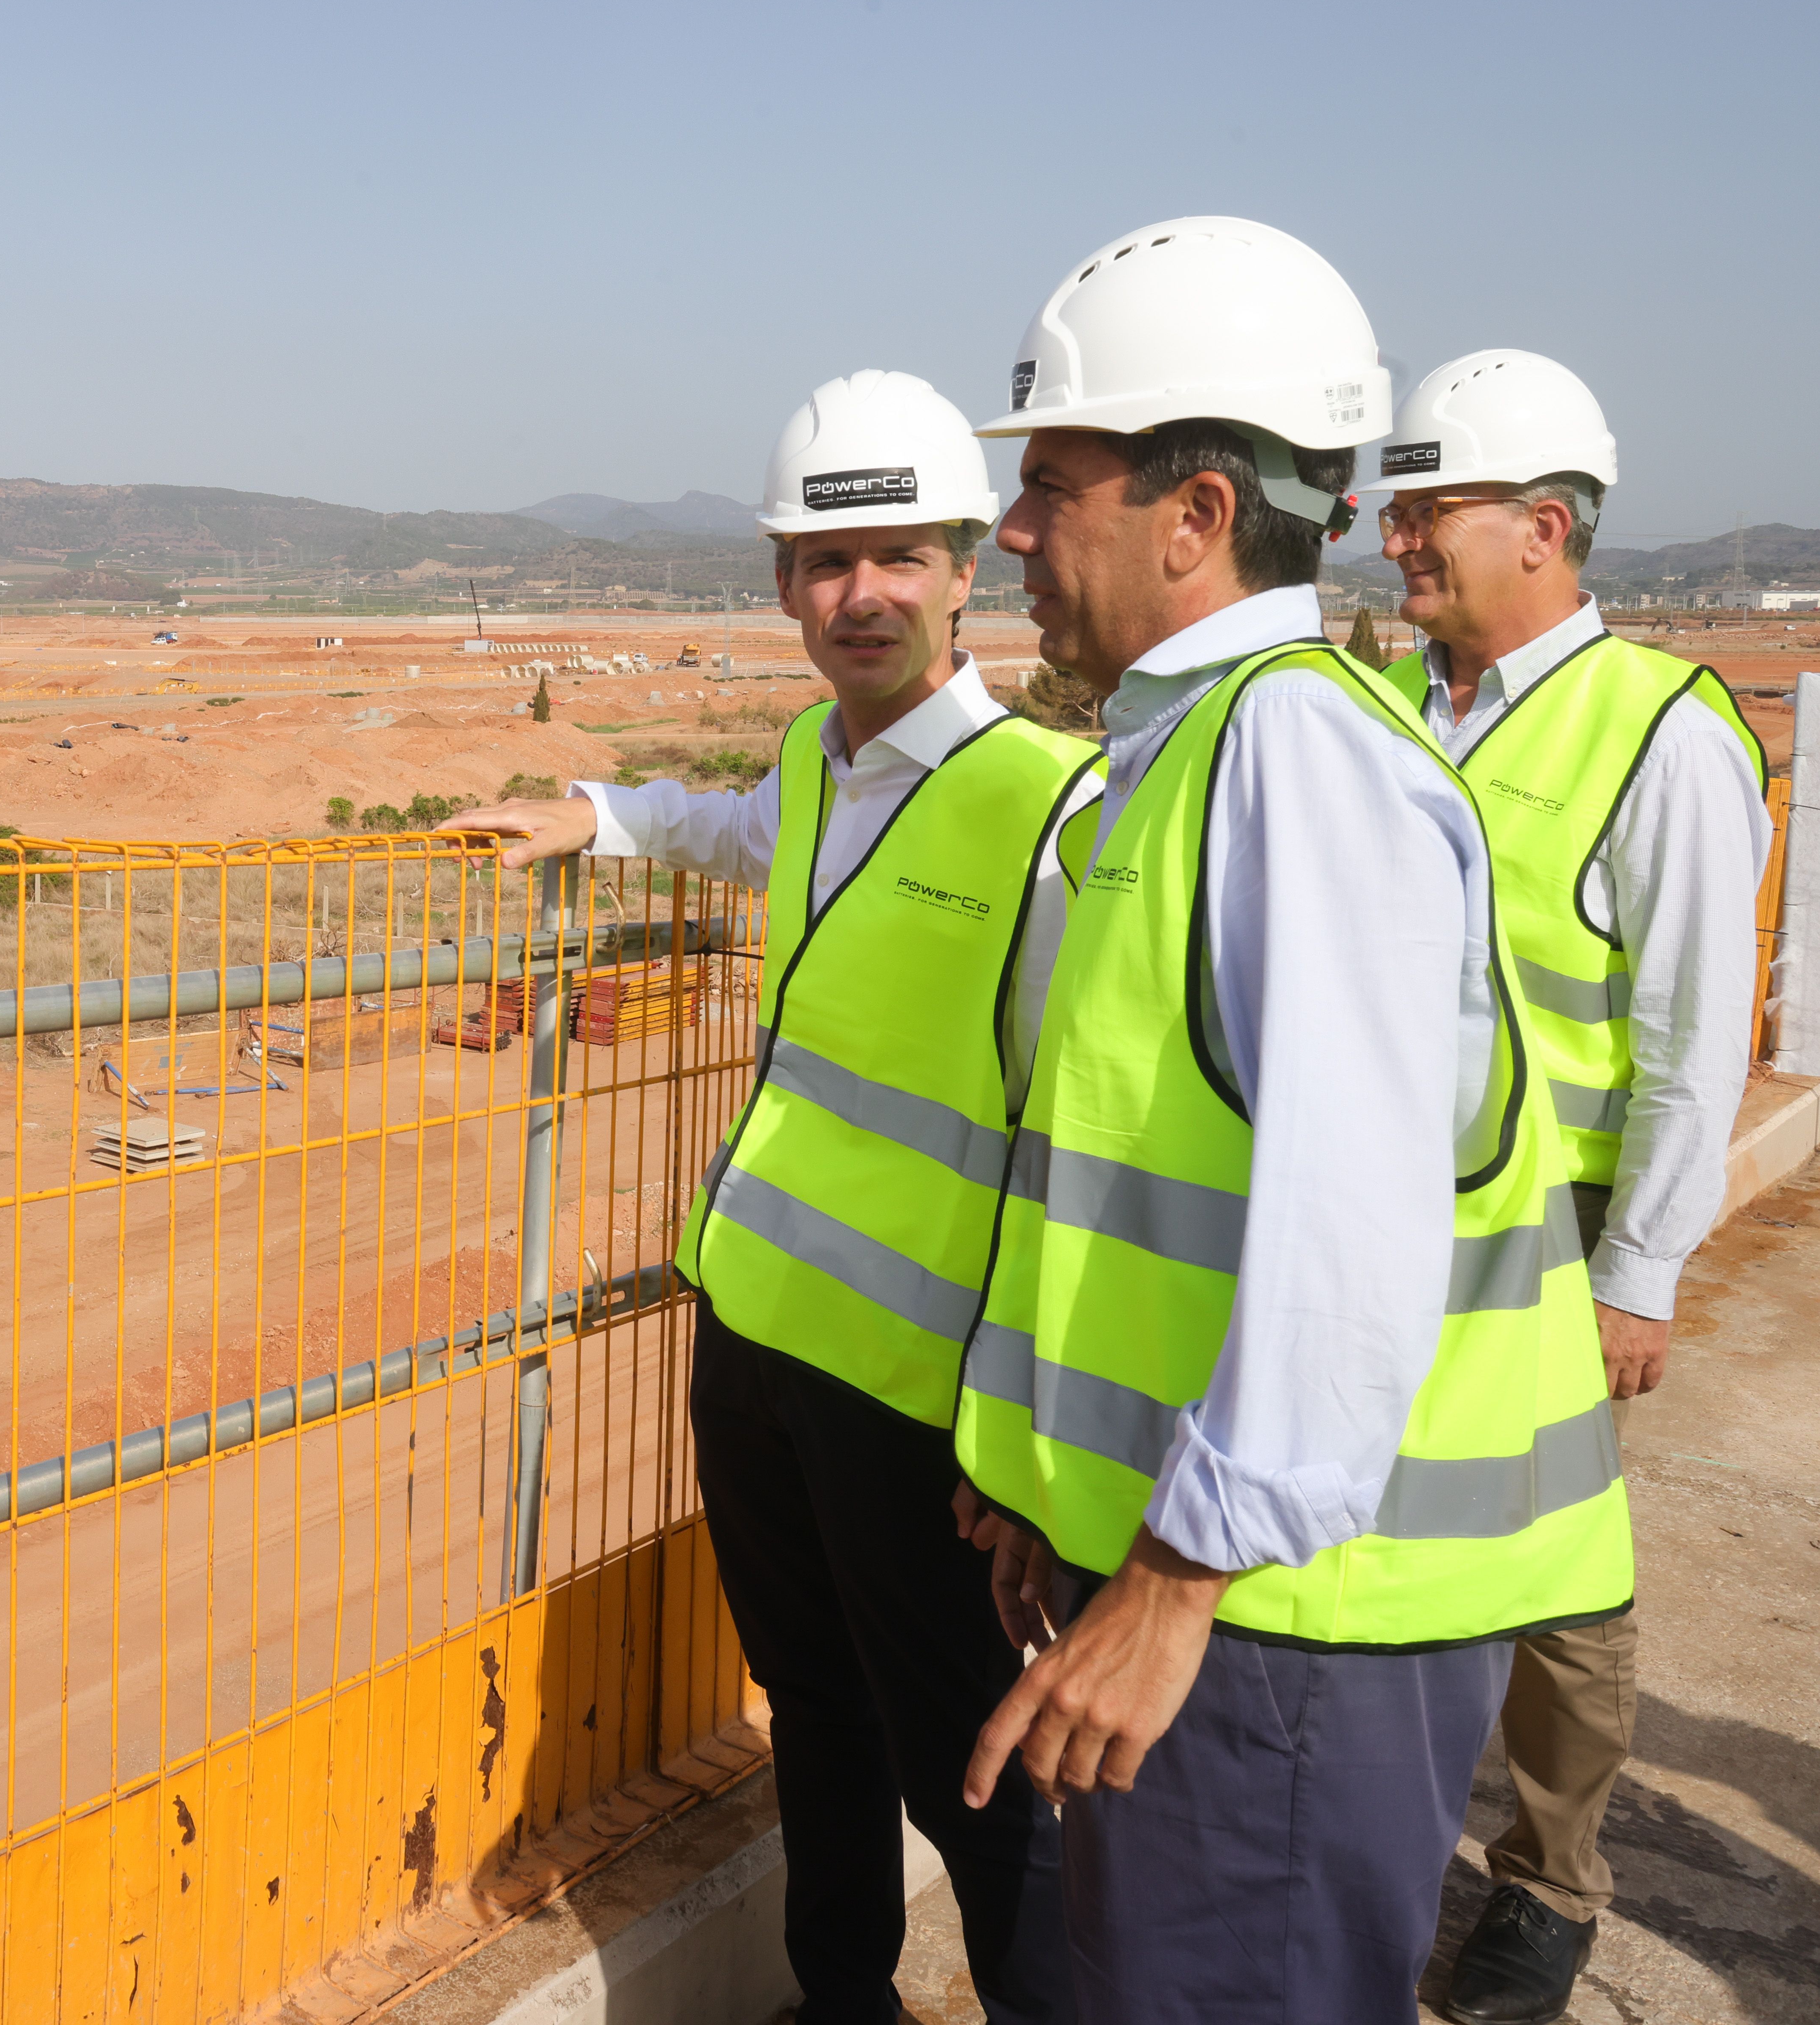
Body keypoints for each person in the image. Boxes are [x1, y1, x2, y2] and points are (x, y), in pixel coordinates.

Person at [945, 218, 1630, 2024]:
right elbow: (1140, 1177)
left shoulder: (1297, 760)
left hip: (1288, 1617)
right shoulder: (1186, 747)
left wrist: (1172, 1577)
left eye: (1054, 482)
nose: (1012, 528)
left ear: (1194, 512)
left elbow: (1349, 1220)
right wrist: (1048, 1481)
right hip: (1213, 1577)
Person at [455, 370, 1096, 2025]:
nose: (858, 592)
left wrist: (1018, 1424)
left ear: (966, 567)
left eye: (895, 555)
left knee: (966, 1739)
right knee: (810, 1696)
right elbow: (744, 832)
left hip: (917, 1394)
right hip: (756, 1334)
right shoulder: (820, 753)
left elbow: (1066, 1147)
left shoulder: (1048, 808)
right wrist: (595, 816)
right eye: (823, 561)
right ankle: (841, 1995)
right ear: (781, 587)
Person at [1370, 352, 1770, 2024]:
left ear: (1544, 526)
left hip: (1553, 1235)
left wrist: (1645, 1269)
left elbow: (1693, 1036)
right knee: (1377, 1546)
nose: (1396, 537)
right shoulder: (1385, 706)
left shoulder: (1663, 732)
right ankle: (1383, 1843)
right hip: (1382, 1213)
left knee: (1553, 1573)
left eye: (1429, 506)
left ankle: (1548, 1882)